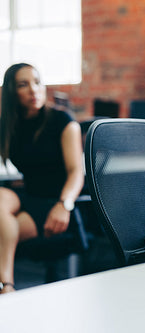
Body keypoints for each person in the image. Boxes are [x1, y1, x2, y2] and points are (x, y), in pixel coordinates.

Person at [0, 63, 84, 293]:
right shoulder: (8, 126)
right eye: (23, 85)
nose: (33, 89)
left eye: (37, 82)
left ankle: (6, 286)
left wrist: (64, 205)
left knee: (4, 231)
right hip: (28, 195)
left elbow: (76, 172)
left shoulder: (62, 121)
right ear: (10, 92)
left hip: (54, 202)